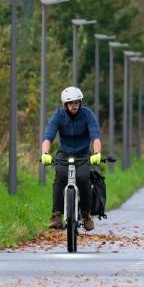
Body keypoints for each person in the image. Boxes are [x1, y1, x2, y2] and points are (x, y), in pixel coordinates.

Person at [40, 86, 102, 230]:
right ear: (65, 105)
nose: (74, 106)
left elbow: (95, 137)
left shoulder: (88, 115)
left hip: (83, 155)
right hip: (64, 154)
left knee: (83, 178)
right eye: (70, 103)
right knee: (60, 178)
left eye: (76, 102)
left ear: (80, 103)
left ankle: (86, 214)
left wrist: (97, 153)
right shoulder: (58, 115)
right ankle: (56, 215)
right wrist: (45, 154)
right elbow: (48, 137)